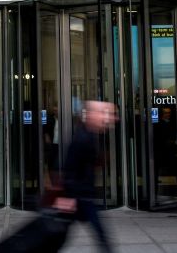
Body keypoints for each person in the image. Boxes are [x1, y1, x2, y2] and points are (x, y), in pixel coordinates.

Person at [54, 100, 118, 253]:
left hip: (81, 194)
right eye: (103, 113)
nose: (108, 118)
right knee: (98, 233)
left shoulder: (89, 134)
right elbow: (70, 166)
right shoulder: (83, 138)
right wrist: (67, 196)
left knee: (61, 233)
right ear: (90, 115)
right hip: (79, 195)